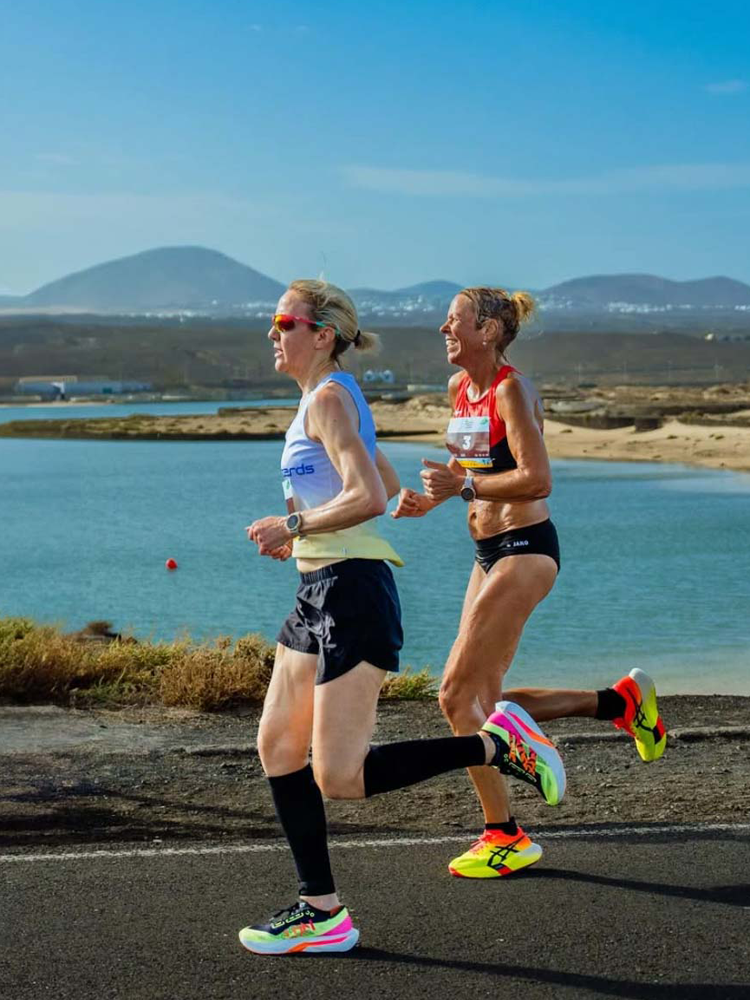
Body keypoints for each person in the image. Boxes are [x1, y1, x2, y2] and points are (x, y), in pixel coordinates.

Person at [239, 279, 567, 955]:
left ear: (322, 334)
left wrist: (294, 523)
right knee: (276, 745)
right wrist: (407, 503)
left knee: (341, 775)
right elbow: (384, 487)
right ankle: (320, 909)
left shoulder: (329, 396)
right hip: (316, 588)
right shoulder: (323, 400)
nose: (274, 333)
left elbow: (362, 495)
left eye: (284, 322)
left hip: (351, 591)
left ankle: (498, 746)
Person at [393, 286, 666, 880]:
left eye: (455, 320)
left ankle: (504, 833)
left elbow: (536, 477)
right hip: (486, 551)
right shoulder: (458, 389)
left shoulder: (511, 390)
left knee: (452, 696)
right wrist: (432, 500)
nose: (444, 328)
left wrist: (462, 489)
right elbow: (472, 470)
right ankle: (619, 702)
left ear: (488, 330)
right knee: (482, 703)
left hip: (526, 548)